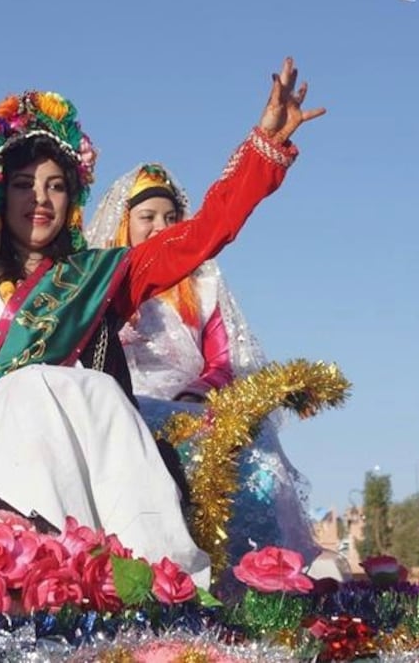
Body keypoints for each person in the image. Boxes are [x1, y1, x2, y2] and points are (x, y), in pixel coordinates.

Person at [0, 15, 324, 585]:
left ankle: (156, 581)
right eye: (23, 185)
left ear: (73, 199)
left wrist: (265, 146)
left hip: (96, 456)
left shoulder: (100, 275)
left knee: (86, 388)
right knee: (40, 383)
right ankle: (48, 564)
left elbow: (202, 233)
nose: (39, 200)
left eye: (55, 185)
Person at [85, 164, 321, 572]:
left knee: (254, 435)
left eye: (171, 217)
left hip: (194, 408)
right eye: (148, 217)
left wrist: (197, 393)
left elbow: (225, 360)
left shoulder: (202, 285)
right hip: (122, 409)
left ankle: (259, 570)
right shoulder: (107, 281)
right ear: (125, 223)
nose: (161, 226)